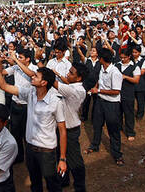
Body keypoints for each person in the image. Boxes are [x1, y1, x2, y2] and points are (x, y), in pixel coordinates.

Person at [0, 54, 67, 192]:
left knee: (52, 183)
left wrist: (62, 158)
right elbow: (3, 86)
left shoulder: (55, 102)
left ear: (44, 83)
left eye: (36, 76)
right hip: (31, 148)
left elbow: (62, 130)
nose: (32, 76)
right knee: (35, 182)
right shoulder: (30, 93)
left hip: (47, 151)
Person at [84, 48, 124, 166]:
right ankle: (95, 145)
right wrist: (95, 88)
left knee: (113, 129)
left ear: (102, 59)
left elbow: (116, 91)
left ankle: (117, 154)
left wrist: (99, 90)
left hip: (112, 104)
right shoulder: (102, 68)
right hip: (100, 102)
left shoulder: (115, 72)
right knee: (97, 125)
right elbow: (99, 81)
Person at [52, 63, 89, 191]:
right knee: (60, 156)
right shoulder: (72, 86)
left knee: (75, 161)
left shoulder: (75, 90)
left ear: (79, 78)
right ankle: (64, 179)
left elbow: (52, 81)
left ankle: (80, 187)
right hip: (62, 128)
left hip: (70, 130)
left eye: (71, 73)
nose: (68, 74)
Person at [115, 49, 141, 141]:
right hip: (117, 93)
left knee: (128, 113)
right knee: (118, 113)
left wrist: (125, 77)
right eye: (121, 57)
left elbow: (136, 80)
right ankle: (118, 128)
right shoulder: (117, 65)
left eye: (124, 58)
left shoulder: (135, 67)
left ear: (129, 57)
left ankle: (130, 132)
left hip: (128, 93)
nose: (122, 59)